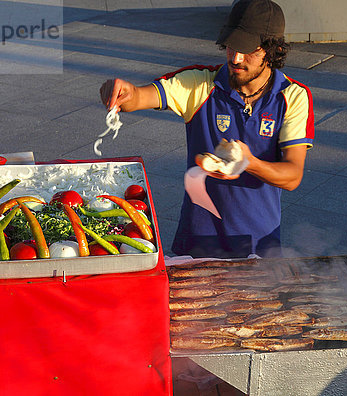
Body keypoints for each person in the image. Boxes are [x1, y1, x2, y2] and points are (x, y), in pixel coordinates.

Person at [100, 0, 314, 258]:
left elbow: (293, 176)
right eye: (232, 46)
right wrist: (124, 92)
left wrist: (249, 163)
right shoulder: (201, 83)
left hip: (259, 246)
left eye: (248, 50)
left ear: (273, 50)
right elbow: (139, 96)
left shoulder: (292, 96)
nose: (236, 58)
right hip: (196, 244)